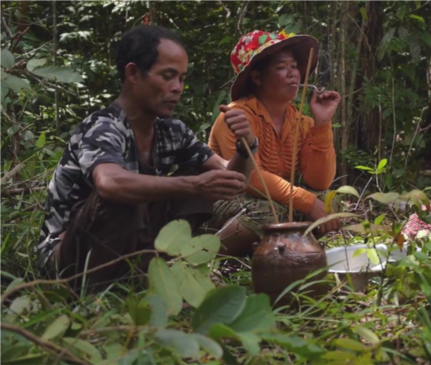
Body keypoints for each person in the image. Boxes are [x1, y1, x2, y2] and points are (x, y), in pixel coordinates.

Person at [37, 25, 256, 291]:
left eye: (182, 78)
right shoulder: (103, 127)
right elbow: (110, 184)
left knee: (197, 179)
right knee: (127, 194)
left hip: (131, 251)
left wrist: (246, 145)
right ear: (133, 73)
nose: (177, 88)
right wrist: (195, 185)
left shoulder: (172, 131)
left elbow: (233, 180)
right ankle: (100, 293)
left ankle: (155, 270)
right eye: (167, 76)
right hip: (67, 263)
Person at [207, 30, 341, 257]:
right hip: (232, 201)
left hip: (279, 201)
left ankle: (277, 251)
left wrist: (322, 123)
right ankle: (206, 252)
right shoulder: (235, 116)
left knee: (331, 200)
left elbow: (318, 181)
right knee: (270, 214)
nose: (293, 74)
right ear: (257, 78)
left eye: (294, 66)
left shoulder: (300, 120)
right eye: (281, 67)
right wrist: (306, 202)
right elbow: (250, 178)